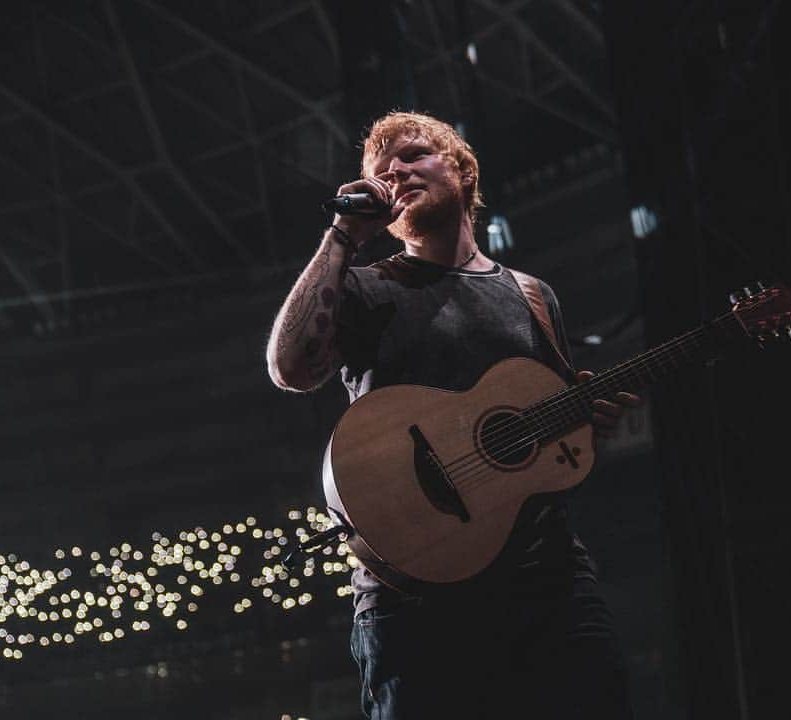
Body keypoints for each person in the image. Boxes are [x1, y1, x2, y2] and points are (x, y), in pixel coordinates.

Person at [266, 111, 640, 720]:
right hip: (413, 599)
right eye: (383, 171)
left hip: (546, 584)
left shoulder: (533, 296)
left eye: (414, 156)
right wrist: (342, 236)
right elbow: (291, 368)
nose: (396, 172)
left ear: (463, 171)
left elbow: (543, 443)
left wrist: (579, 426)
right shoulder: (363, 286)